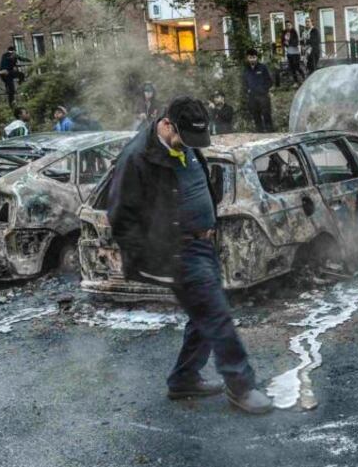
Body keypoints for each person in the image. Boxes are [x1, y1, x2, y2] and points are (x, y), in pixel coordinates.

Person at [107, 97, 271, 415]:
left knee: (203, 316)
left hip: (203, 243)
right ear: (167, 124)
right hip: (176, 250)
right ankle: (241, 386)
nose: (191, 146)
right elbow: (121, 218)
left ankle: (183, 379)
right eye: (185, 138)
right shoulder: (136, 158)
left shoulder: (186, 144)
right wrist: (152, 261)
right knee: (217, 315)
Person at [243, 49, 274, 132]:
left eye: (253, 57)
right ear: (247, 58)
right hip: (252, 97)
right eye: (250, 57)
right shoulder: (246, 69)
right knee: (256, 115)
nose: (252, 59)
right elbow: (244, 82)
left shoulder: (262, 67)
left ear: (256, 57)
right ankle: (259, 133)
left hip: (263, 96)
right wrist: (247, 90)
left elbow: (269, 81)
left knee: (266, 114)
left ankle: (270, 132)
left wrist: (264, 89)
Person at [281, 21, 304, 85]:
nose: (288, 27)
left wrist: (289, 43)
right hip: (289, 52)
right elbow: (282, 41)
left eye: (289, 25)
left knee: (297, 67)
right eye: (286, 25)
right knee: (292, 68)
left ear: (291, 25)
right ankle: (295, 81)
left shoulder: (294, 32)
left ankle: (303, 78)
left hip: (295, 53)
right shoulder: (284, 33)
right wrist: (284, 44)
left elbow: (296, 42)